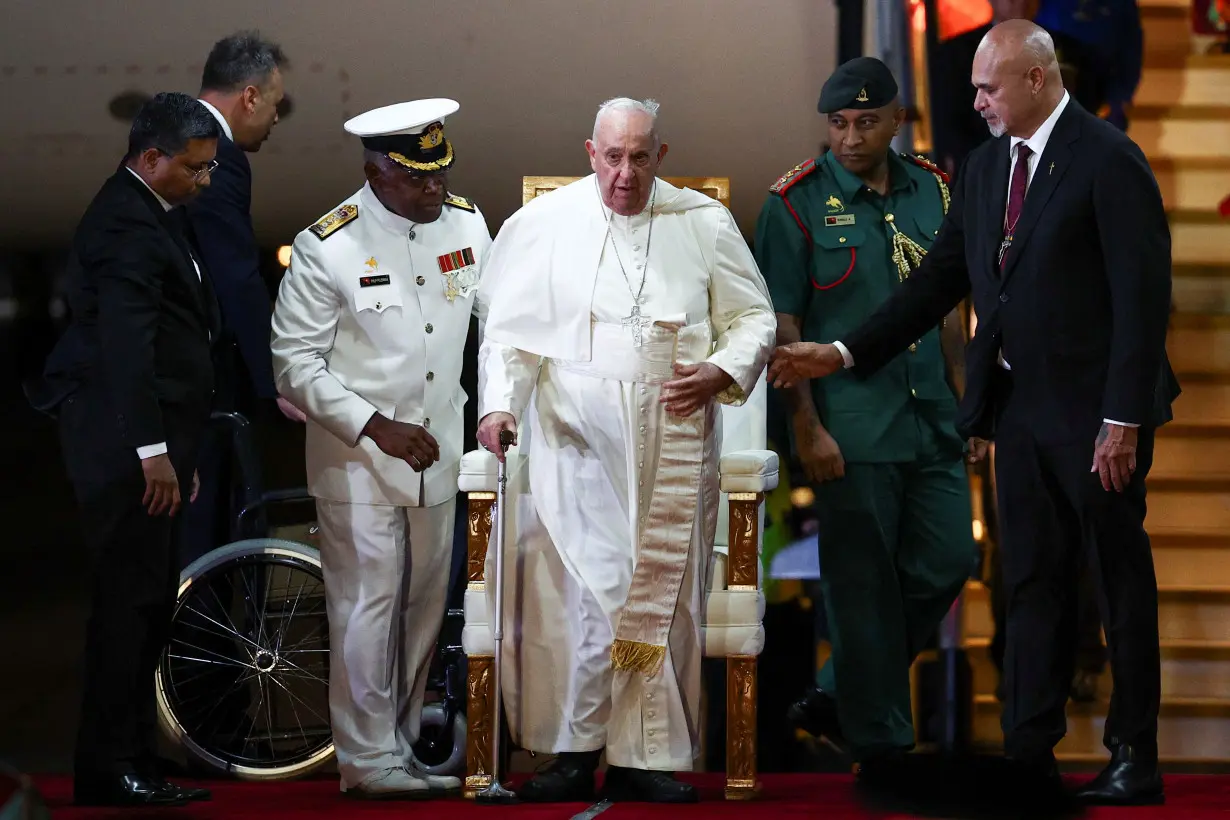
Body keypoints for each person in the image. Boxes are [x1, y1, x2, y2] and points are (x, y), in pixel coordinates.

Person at [767, 21, 1177, 806]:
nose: (975, 100)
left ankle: (1136, 753)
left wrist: (1124, 419)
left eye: (989, 87)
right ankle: (1030, 753)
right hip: (1019, 413)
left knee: (1114, 585)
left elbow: (1141, 301)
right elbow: (932, 287)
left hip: (1098, 421)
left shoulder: (1108, 158)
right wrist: (845, 352)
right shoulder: (987, 169)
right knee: (1027, 582)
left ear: (1035, 79)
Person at [474, 97, 776, 804]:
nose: (625, 174)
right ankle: (573, 753)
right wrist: (499, 405)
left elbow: (754, 317)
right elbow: (511, 337)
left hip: (672, 425)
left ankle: (646, 757)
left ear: (660, 156)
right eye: (612, 157)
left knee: (661, 592)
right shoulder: (546, 225)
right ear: (590, 152)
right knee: (582, 597)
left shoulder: (701, 221)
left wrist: (723, 369)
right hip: (574, 432)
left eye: (640, 157)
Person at [754, 57, 976, 778]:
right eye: (838, 124)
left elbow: (948, 310)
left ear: (896, 119)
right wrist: (806, 429)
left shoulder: (936, 191)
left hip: (931, 416)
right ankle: (882, 749)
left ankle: (835, 693)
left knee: (949, 560)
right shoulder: (794, 204)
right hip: (849, 427)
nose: (849, 137)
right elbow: (785, 331)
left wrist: (967, 399)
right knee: (861, 586)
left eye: (865, 122)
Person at [271, 98, 492, 799]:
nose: (435, 188)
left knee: (423, 605)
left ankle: (396, 748)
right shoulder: (326, 245)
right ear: (375, 172)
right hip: (358, 460)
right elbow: (293, 364)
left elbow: (499, 317)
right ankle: (366, 761)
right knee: (367, 605)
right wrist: (374, 425)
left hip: (438, 455)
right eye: (417, 178)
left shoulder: (466, 224)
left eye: (440, 173)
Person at [31, 92, 221, 807]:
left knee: (144, 603)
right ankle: (110, 764)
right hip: (122, 446)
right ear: (151, 158)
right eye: (195, 169)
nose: (204, 181)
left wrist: (178, 449)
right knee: (126, 603)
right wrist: (153, 453)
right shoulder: (126, 225)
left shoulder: (154, 214)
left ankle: (130, 753)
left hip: (149, 443)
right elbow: (125, 351)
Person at [181, 31, 298, 567]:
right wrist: (277, 379)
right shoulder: (215, 153)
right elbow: (235, 279)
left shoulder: (178, 135)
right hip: (194, 380)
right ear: (250, 97)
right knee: (205, 534)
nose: (276, 120)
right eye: (275, 105)